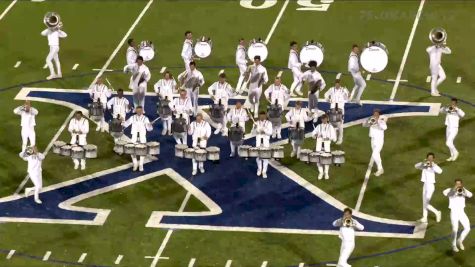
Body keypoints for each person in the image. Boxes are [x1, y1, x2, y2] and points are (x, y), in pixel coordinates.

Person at [443, 179, 472, 252]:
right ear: (455, 184)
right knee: (455, 230)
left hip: (462, 212)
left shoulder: (463, 190)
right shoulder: (450, 190)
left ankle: (460, 240)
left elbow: (470, 195)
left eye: (459, 184)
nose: (458, 185)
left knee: (467, 228)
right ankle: (453, 245)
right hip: (454, 212)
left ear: (461, 184)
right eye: (457, 184)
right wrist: (454, 189)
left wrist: (464, 191)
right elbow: (447, 194)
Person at [122, 106, 153, 172]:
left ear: (142, 111)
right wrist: (121, 121)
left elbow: (149, 129)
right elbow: (126, 124)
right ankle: (135, 163)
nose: (139, 112)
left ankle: (141, 164)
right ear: (136, 111)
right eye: (138, 111)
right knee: (132, 151)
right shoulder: (132, 117)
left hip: (142, 137)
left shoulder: (145, 118)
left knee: (142, 151)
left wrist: (150, 125)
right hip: (134, 137)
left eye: (140, 111)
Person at [415, 152, 442, 223]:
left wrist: (432, 165)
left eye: (431, 158)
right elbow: (416, 166)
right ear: (427, 158)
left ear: (433, 159)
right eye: (428, 158)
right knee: (424, 202)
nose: (430, 159)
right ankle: (424, 218)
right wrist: (422, 163)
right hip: (425, 185)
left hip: (430, 186)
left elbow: (440, 171)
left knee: (426, 204)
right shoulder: (424, 165)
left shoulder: (434, 166)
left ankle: (437, 212)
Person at [324, 79, 350, 145]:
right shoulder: (331, 89)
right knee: (331, 123)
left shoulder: (344, 90)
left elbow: (348, 98)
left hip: (340, 108)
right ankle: (333, 137)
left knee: (340, 124)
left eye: (338, 84)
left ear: (340, 84)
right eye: (336, 84)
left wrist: (347, 94)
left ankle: (340, 138)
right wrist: (328, 100)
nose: (337, 85)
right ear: (335, 84)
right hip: (333, 108)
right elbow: (326, 94)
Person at [363, 109, 387, 176]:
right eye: (374, 114)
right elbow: (364, 125)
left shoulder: (381, 121)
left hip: (379, 141)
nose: (375, 115)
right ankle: (380, 168)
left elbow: (385, 128)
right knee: (377, 155)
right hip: (373, 140)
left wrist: (378, 122)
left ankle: (380, 169)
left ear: (379, 115)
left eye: (376, 114)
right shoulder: (371, 120)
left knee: (375, 154)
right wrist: (368, 122)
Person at [312, 114, 336, 180]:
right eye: (323, 119)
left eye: (325, 119)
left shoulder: (330, 127)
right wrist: (316, 134)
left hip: (326, 145)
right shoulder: (318, 126)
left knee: (326, 160)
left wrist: (328, 138)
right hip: (319, 145)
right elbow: (313, 134)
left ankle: (326, 173)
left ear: (327, 119)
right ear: (321, 119)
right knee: (318, 160)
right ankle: (321, 172)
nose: (324, 120)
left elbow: (333, 137)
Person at [154, 71, 177, 135]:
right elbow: (155, 85)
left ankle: (169, 129)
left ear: (169, 76)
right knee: (162, 114)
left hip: (170, 99)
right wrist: (157, 91)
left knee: (169, 115)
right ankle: (165, 128)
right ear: (164, 76)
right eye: (166, 75)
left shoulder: (172, 81)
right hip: (162, 99)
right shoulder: (160, 81)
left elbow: (175, 89)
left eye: (168, 75)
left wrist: (176, 87)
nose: (167, 76)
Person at [252, 111, 273, 178]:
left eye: (263, 116)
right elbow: (252, 133)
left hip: (265, 143)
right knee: (258, 157)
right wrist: (255, 128)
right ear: (259, 116)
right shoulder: (256, 123)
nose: (262, 117)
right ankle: (259, 169)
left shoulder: (269, 123)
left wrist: (264, 131)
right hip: (258, 142)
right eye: (261, 116)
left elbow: (270, 132)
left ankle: (264, 171)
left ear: (265, 116)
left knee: (265, 158)